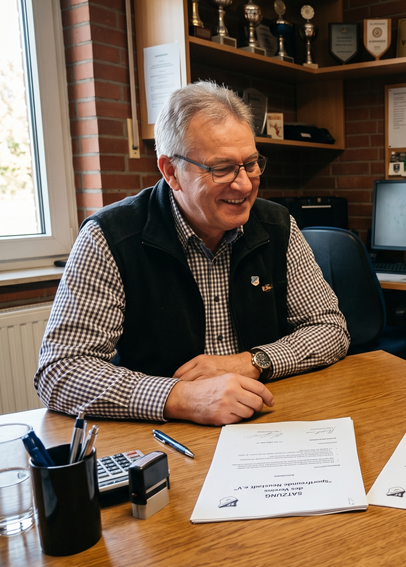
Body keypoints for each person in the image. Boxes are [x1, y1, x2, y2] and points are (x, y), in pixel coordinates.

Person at [35, 81, 349, 426]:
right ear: (171, 171)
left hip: (267, 420)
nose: (244, 185)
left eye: (251, 163)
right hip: (160, 438)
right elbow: (61, 370)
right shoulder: (109, 237)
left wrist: (252, 361)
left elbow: (330, 328)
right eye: (221, 168)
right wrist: (180, 397)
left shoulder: (276, 225)